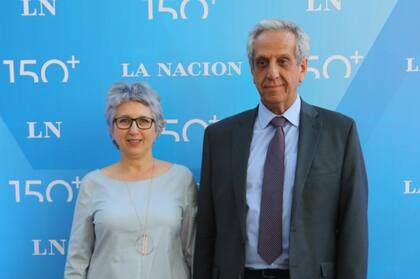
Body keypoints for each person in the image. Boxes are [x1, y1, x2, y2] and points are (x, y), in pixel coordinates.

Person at [193, 19, 368, 279]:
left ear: (302, 68)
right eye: (262, 62)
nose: (272, 73)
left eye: (283, 61)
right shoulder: (219, 137)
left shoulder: (340, 133)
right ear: (252, 71)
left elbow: (353, 225)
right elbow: (207, 228)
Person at [64, 82, 197, 279]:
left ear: (157, 127)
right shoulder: (92, 184)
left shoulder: (181, 179)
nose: (134, 130)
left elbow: (193, 252)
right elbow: (77, 261)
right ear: (112, 128)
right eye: (124, 121)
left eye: (143, 121)